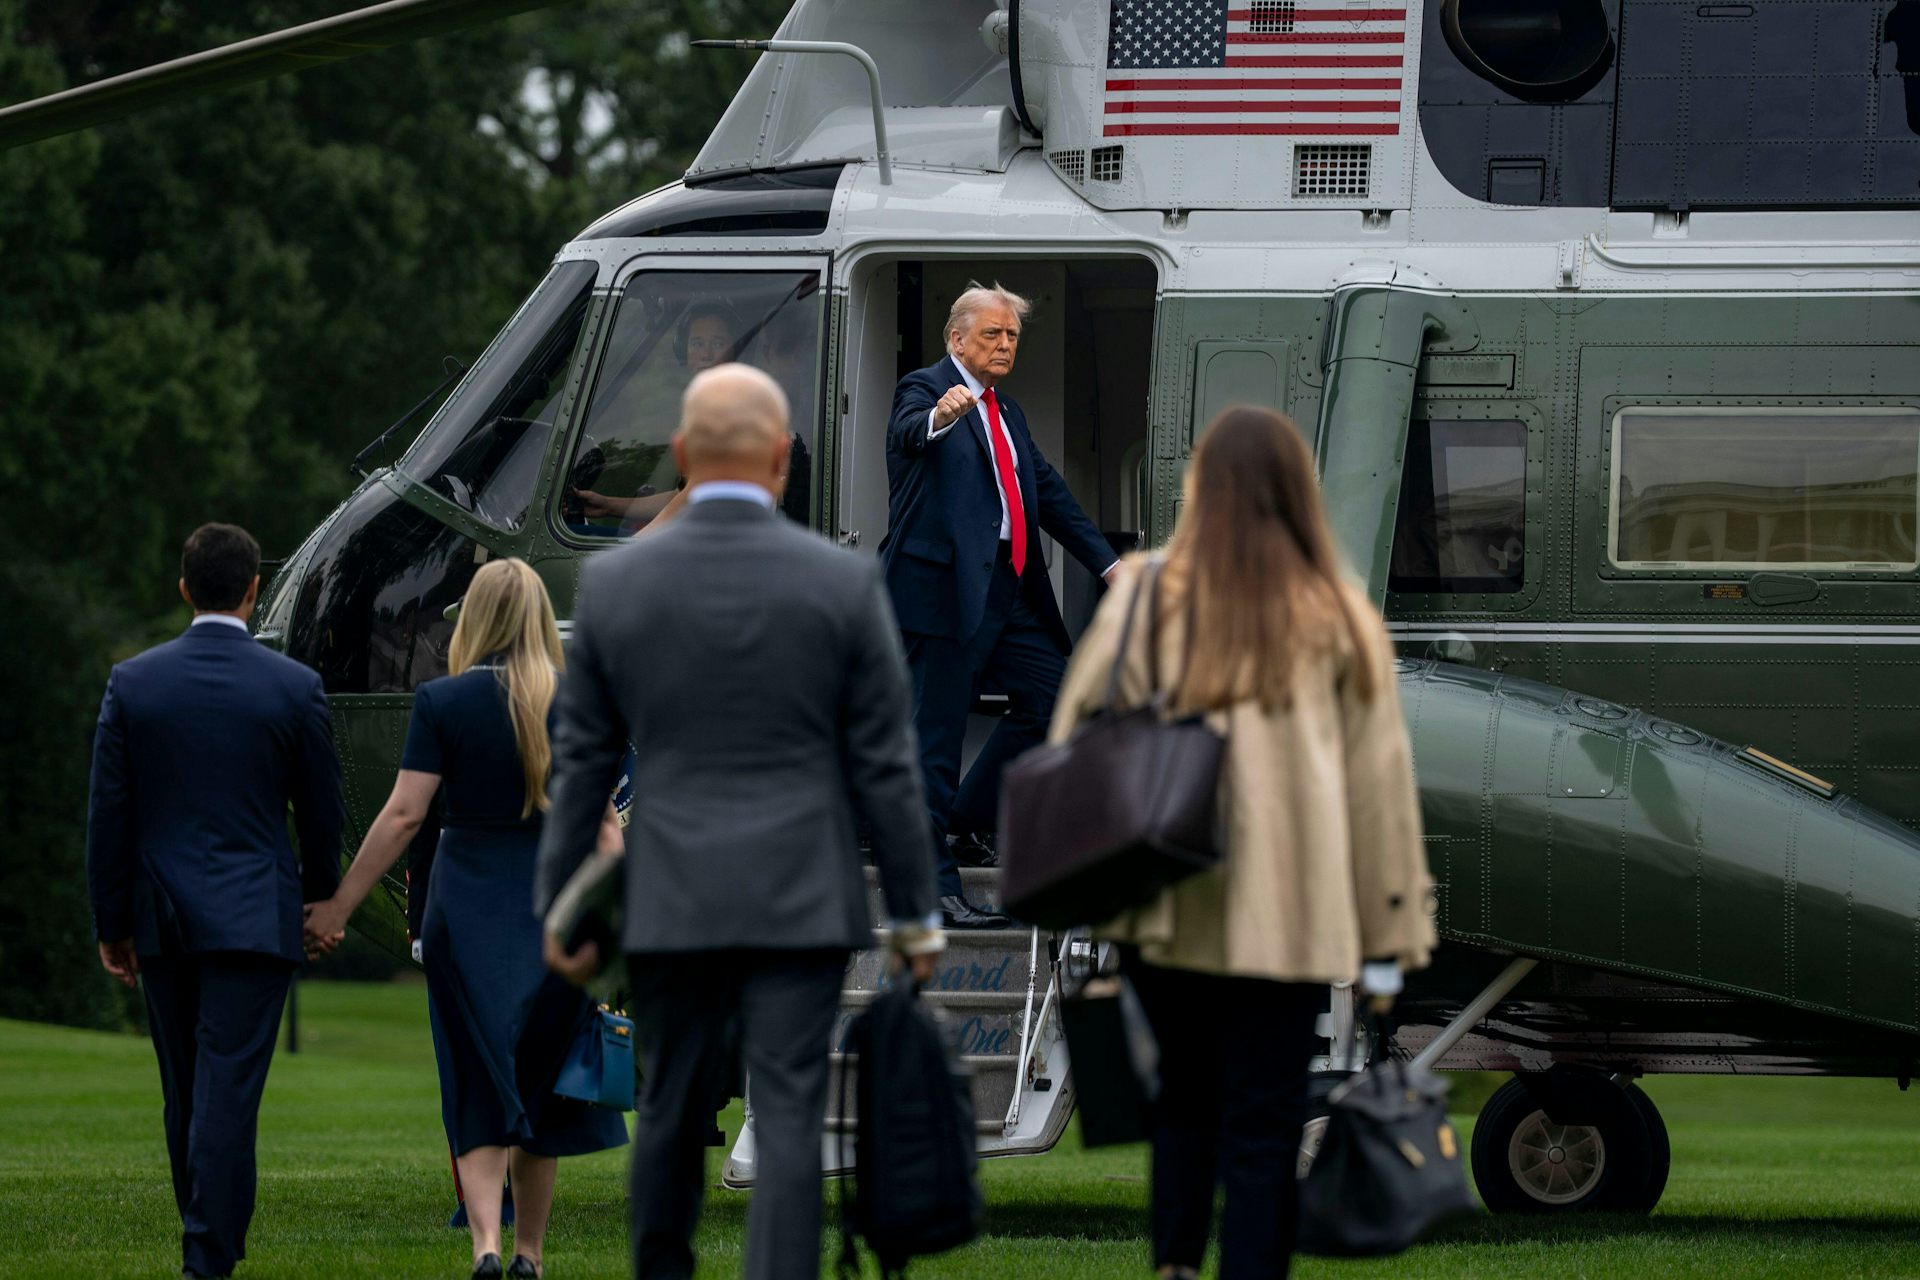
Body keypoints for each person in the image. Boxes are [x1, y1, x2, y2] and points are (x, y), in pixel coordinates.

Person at [536, 363, 944, 1280]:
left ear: (682, 456)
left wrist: (564, 904)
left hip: (671, 891)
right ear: (779, 460)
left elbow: (584, 765)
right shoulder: (842, 582)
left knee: (671, 1108)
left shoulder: (617, 587)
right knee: (792, 1112)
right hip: (802, 887)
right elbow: (888, 766)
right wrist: (918, 914)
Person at [1050, 406, 1436, 1280]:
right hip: (1291, 916)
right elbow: (1380, 796)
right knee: (1264, 1126)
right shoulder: (1339, 614)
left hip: (1166, 898)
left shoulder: (1145, 593)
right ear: (1299, 493)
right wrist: (1389, 940)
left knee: (1181, 1109)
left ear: (1200, 488)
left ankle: (1176, 1269)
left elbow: (1074, 735)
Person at [303, 557, 628, 1280]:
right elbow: (607, 832)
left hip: (466, 907)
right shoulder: (580, 702)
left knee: (473, 1075)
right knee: (540, 1087)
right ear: (543, 618)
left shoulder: (442, 703)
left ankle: (484, 1244)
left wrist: (339, 907)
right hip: (557, 911)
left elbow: (404, 814)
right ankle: (529, 1256)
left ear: (474, 621)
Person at [85, 522, 345, 1280]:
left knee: (184, 1090)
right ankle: (210, 1249)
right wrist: (320, 898)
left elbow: (110, 816)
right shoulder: (294, 686)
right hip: (257, 918)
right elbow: (322, 812)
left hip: (161, 918)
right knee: (228, 1089)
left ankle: (207, 1238)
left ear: (183, 588)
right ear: (255, 588)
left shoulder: (134, 683)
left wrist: (112, 923)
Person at [882, 282, 1120, 928]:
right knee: (934, 741)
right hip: (938, 597)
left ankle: (965, 816)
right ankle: (935, 894)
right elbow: (909, 434)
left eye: (1012, 335)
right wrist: (942, 416)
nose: (1005, 344)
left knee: (1058, 702)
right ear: (956, 338)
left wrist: (1111, 564)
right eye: (993, 334)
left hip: (1008, 592)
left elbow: (1050, 494)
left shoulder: (1006, 412)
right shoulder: (928, 389)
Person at [572, 299, 741, 532]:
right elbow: (683, 495)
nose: (706, 354)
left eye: (718, 343)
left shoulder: (732, 412)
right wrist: (609, 505)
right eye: (697, 343)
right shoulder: (703, 408)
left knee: (581, 535)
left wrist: (637, 544)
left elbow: (693, 497)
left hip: (705, 544)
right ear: (684, 350)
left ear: (736, 351)